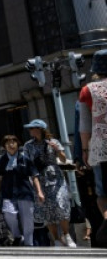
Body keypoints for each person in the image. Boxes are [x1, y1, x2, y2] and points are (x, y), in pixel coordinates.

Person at [23, 118, 75, 247]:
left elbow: (63, 160)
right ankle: (56, 239)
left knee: (60, 203)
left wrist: (57, 149)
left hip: (55, 177)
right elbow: (27, 163)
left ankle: (66, 234)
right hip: (39, 179)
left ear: (39, 129)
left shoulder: (53, 142)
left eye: (32, 128)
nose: (30, 130)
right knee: (47, 210)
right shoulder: (28, 145)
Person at [79, 49, 107, 245]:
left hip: (100, 146)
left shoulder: (87, 90)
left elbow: (84, 126)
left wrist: (85, 151)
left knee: (102, 192)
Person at [0, 135, 41, 246]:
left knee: (28, 220)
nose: (11, 145)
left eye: (13, 142)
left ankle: (29, 244)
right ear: (4, 146)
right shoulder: (1, 161)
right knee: (9, 213)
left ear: (17, 144)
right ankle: (17, 235)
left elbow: (34, 176)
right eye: (8, 143)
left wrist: (39, 191)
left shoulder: (25, 159)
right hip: (8, 194)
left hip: (25, 193)